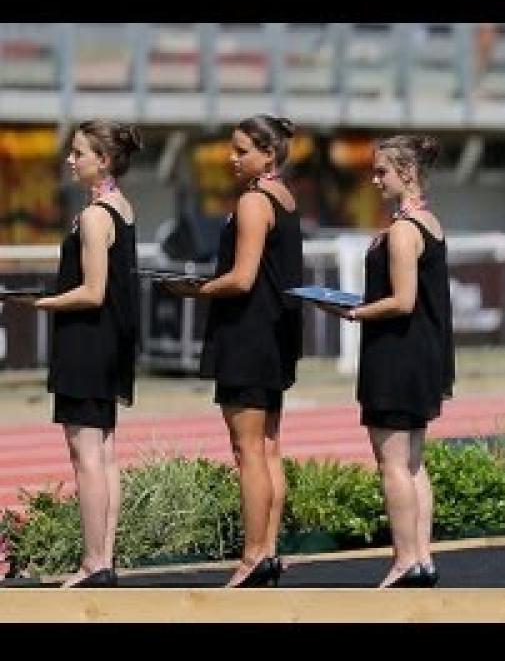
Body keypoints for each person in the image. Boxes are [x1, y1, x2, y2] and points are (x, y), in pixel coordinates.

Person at [168, 114, 303, 588]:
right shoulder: (285, 198)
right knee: (268, 448)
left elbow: (242, 278)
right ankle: (268, 550)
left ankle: (252, 556)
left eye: (241, 150)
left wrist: (195, 289)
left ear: (268, 154)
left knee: (248, 451)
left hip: (249, 336)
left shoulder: (253, 201)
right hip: (275, 335)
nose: (231, 157)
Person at [319, 135, 454, 588]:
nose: (375, 180)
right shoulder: (429, 222)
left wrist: (353, 311)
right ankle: (422, 558)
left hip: (398, 355)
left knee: (393, 463)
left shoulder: (402, 231)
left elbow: (400, 301)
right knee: (414, 462)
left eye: (382, 172)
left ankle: (404, 561)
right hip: (421, 354)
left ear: (408, 173)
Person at [31, 120, 142, 588]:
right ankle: (103, 558)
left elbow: (93, 291)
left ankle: (95, 562)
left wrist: (42, 301)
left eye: (78, 153)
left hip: (88, 343)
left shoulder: (97, 215)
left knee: (86, 455)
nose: (70, 160)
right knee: (104, 454)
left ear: (105, 160)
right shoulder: (120, 207)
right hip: (107, 344)